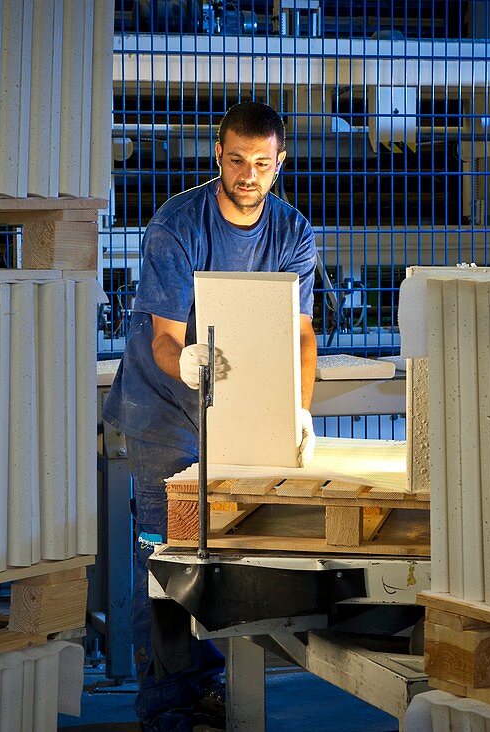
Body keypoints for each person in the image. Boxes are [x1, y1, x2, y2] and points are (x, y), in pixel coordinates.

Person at [102, 100, 319, 731]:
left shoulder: (292, 232)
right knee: (167, 560)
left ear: (279, 163)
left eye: (261, 163)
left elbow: (300, 334)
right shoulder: (177, 227)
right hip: (164, 408)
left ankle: (207, 685)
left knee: (220, 554)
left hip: (235, 405)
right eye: (235, 160)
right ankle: (168, 705)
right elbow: (166, 337)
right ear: (217, 155)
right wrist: (189, 362)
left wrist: (298, 408)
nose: (247, 174)